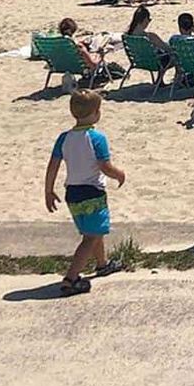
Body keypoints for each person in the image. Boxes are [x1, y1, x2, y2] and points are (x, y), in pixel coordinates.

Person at [44, 89, 126, 297]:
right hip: (92, 192)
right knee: (91, 237)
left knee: (93, 231)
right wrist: (119, 175)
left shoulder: (64, 138)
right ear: (96, 113)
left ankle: (102, 264)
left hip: (72, 192)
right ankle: (71, 278)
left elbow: (53, 165)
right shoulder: (97, 138)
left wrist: (49, 190)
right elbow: (104, 166)